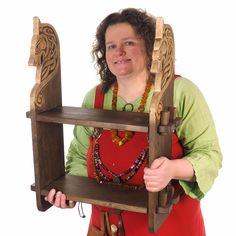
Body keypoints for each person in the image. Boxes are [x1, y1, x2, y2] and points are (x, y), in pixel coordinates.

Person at [45, 8, 222, 236]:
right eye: (110, 46)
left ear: (149, 46)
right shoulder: (95, 98)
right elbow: (79, 155)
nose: (118, 52)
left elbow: (210, 156)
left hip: (169, 228)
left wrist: (172, 169)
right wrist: (70, 194)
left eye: (128, 43)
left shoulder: (181, 92)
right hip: (105, 229)